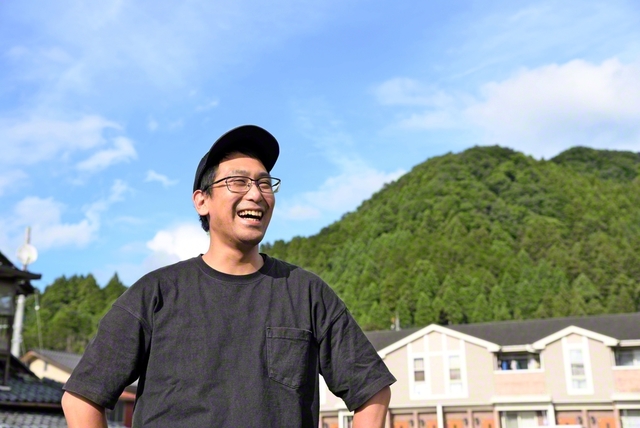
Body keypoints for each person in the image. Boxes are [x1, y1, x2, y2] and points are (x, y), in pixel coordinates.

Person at [61, 125, 396, 427]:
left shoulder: (306, 293)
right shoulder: (155, 293)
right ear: (201, 201)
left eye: (264, 183)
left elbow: (372, 390)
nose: (256, 194)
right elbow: (81, 399)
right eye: (238, 182)